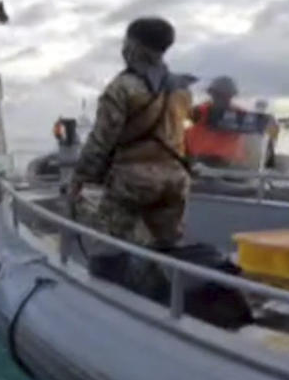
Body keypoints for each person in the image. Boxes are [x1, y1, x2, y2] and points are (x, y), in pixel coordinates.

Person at [68, 16, 192, 248]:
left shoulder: (122, 88)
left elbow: (100, 142)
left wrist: (79, 180)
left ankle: (118, 282)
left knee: (116, 245)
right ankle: (167, 283)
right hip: (176, 180)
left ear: (134, 46)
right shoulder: (181, 88)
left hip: (133, 181)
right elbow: (179, 134)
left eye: (126, 42)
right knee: (169, 246)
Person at [184, 75, 250, 166]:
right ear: (212, 94)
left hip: (228, 165)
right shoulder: (200, 111)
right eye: (218, 94)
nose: (221, 98)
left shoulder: (241, 115)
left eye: (225, 95)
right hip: (197, 161)